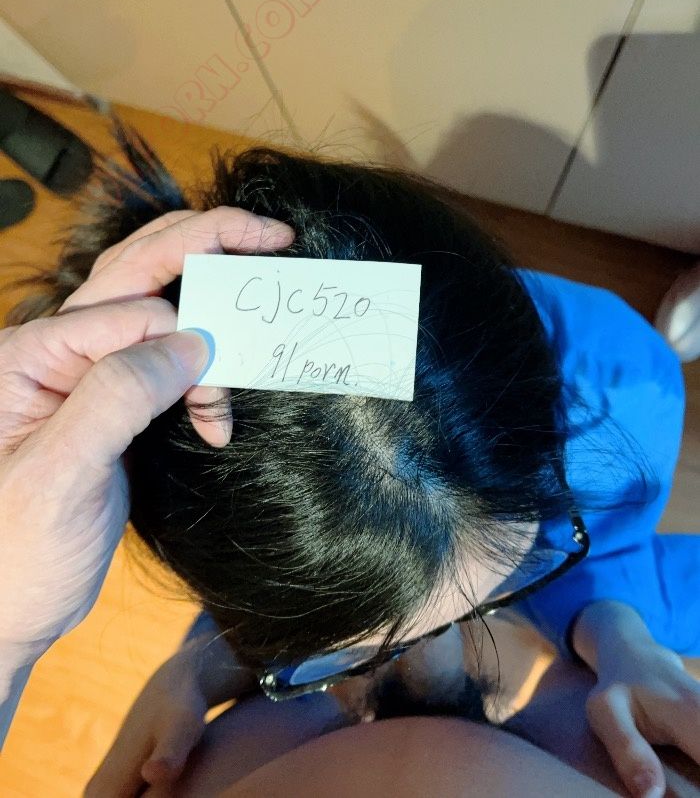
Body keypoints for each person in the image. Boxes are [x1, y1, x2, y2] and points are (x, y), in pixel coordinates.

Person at [2, 124, 699, 798]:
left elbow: (614, 545)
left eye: (492, 592)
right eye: (351, 647)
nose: (437, 673)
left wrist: (621, 634)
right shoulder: (237, 509)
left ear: (546, 443)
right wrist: (200, 663)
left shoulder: (631, 394)